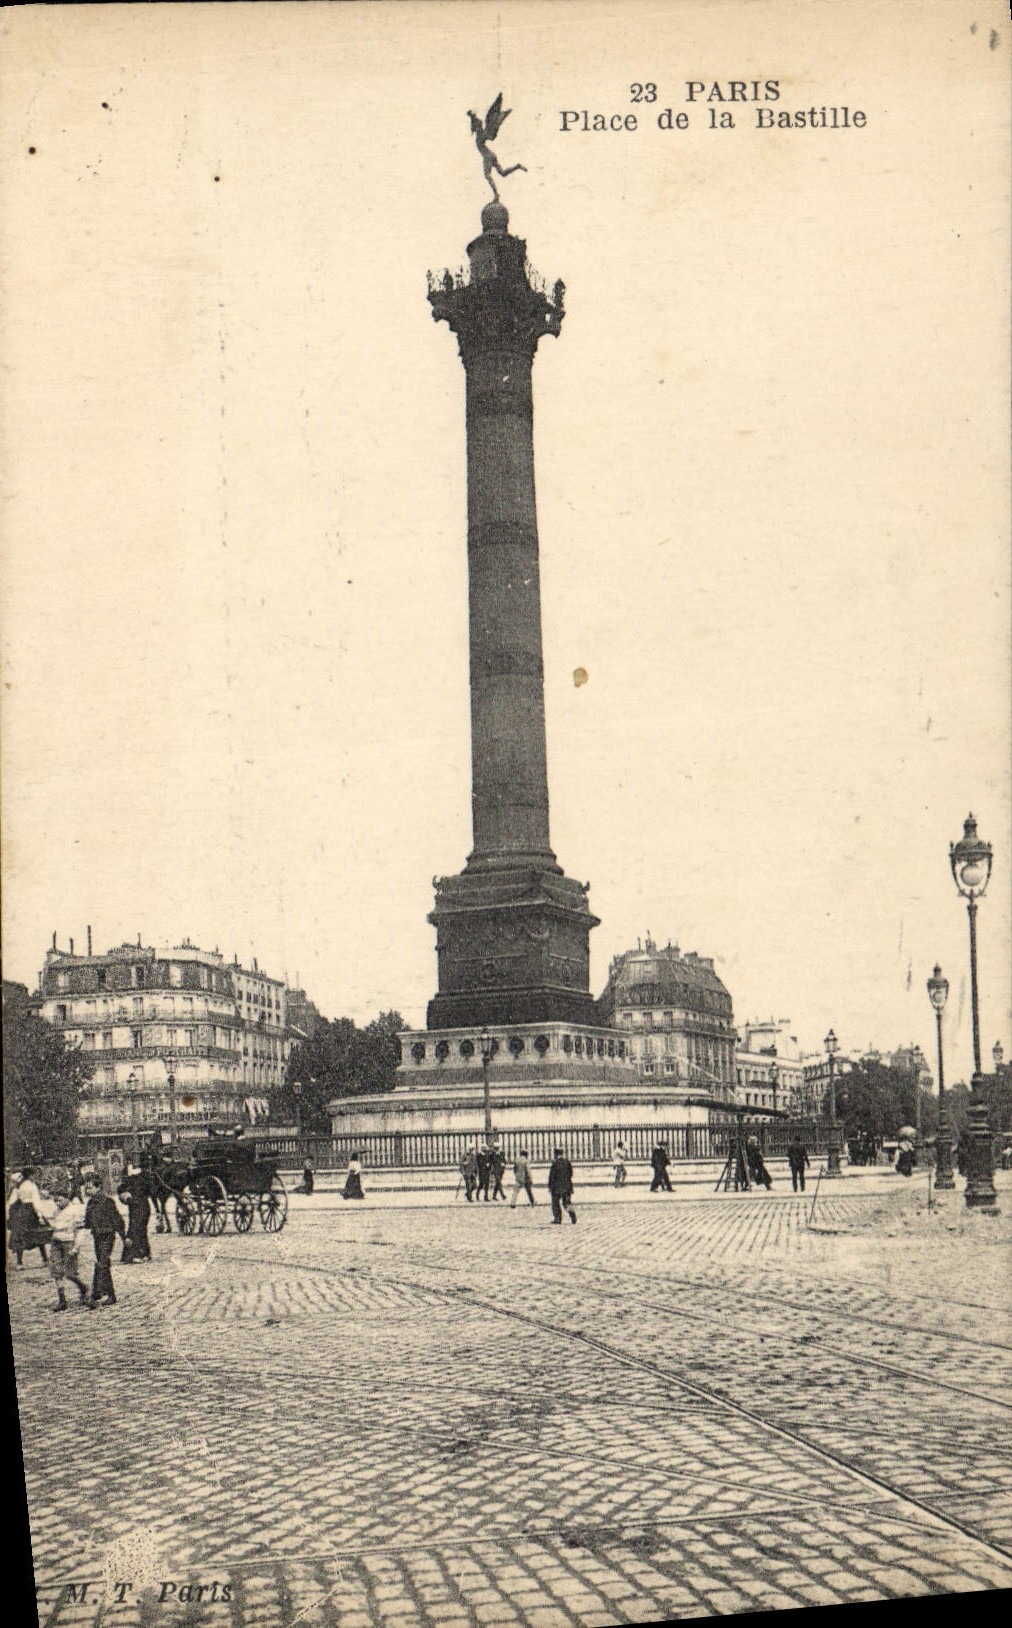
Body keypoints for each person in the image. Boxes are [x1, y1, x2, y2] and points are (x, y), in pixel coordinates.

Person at [83, 1178, 126, 1308]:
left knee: (102, 1263)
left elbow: (117, 1219)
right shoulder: (90, 1203)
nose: (87, 1190)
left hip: (108, 1236)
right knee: (103, 1264)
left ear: (98, 1187)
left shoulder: (107, 1201)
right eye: (86, 1187)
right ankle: (108, 1295)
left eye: (90, 1187)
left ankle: (99, 1294)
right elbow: (88, 1222)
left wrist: (124, 1237)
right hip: (97, 1236)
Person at [48, 1190, 89, 1311]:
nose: (57, 1203)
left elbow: (81, 1231)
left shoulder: (76, 1210)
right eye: (55, 1200)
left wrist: (76, 1247)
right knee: (56, 1271)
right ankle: (62, 1300)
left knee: (70, 1273)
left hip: (69, 1243)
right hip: (56, 1242)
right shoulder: (56, 1212)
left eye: (60, 1200)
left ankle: (83, 1287)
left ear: (67, 1198)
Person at [7, 1168, 50, 1269]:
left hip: (20, 1212)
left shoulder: (19, 1186)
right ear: (30, 1175)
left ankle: (19, 1263)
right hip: (31, 1212)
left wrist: (13, 1213)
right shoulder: (32, 1186)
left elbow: (12, 1201)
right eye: (33, 1175)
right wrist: (39, 1215)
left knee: (20, 1235)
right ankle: (45, 1260)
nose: (34, 1177)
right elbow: (36, 1202)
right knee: (38, 1234)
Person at [117, 1168, 152, 1263]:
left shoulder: (136, 1178)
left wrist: (126, 1197)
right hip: (139, 1206)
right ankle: (145, 1253)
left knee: (136, 1228)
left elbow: (120, 1190)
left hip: (140, 1205)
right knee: (140, 1228)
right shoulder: (143, 1176)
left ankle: (137, 1254)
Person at [547, 1148, 576, 1225]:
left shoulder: (555, 1163)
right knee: (567, 1203)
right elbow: (571, 1173)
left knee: (555, 1203)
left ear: (556, 1154)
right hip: (567, 1186)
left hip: (557, 1187)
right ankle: (572, 1215)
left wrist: (550, 1186)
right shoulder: (567, 1162)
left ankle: (558, 1218)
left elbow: (552, 1176)